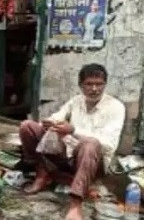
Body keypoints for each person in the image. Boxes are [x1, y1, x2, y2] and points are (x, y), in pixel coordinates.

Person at [19, 63, 125, 220]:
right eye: (89, 84)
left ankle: (75, 204)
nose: (94, 89)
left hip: (95, 162)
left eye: (99, 84)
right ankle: (41, 173)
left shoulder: (116, 107)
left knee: (90, 144)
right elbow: (58, 116)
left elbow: (109, 144)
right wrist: (50, 122)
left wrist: (73, 130)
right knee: (27, 126)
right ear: (81, 85)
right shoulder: (76, 101)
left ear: (105, 85)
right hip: (69, 156)